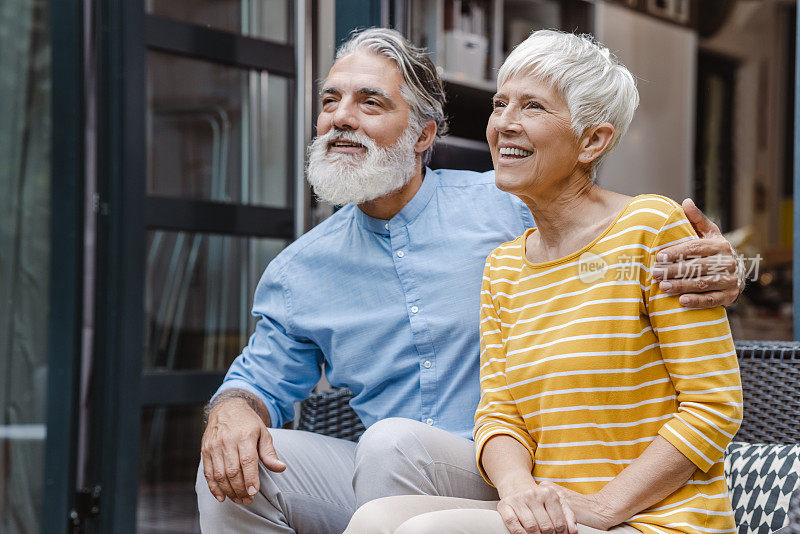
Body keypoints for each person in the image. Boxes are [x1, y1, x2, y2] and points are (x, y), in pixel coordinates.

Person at [196, 28, 743, 534]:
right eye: (329, 100)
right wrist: (230, 412)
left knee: (391, 447)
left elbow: (613, 239)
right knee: (229, 471)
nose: (341, 117)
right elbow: (257, 379)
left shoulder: (513, 202)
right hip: (431, 469)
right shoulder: (302, 270)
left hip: (520, 467)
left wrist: (721, 268)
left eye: (370, 101)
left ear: (423, 135)